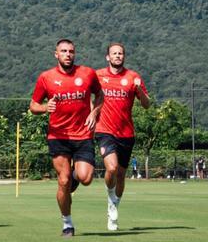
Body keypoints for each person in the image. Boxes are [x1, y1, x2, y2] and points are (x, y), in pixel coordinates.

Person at [29, 38, 103, 238]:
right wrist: (45, 108)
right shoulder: (46, 77)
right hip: (58, 136)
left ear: (74, 53)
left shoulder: (87, 73)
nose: (68, 54)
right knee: (63, 181)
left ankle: (74, 177)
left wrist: (94, 112)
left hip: (83, 134)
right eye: (63, 51)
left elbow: (100, 94)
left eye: (71, 51)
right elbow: (33, 105)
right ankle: (67, 224)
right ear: (56, 54)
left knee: (86, 178)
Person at [94, 43, 150, 231]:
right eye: (114, 53)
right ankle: (111, 198)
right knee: (112, 167)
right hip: (104, 130)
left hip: (126, 133)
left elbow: (146, 104)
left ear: (123, 56)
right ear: (107, 57)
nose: (118, 56)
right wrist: (90, 112)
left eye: (121, 53)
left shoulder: (133, 77)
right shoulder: (98, 75)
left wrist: (139, 90)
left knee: (121, 175)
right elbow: (87, 94)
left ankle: (114, 207)